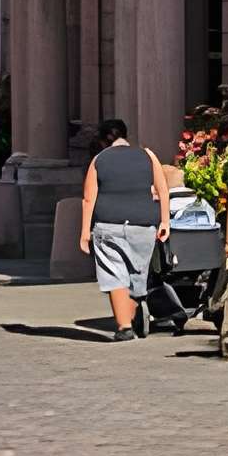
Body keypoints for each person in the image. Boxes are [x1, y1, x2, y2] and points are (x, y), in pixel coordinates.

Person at [76, 117, 175, 341]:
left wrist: (84, 233)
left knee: (114, 274)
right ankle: (135, 310)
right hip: (143, 225)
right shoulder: (148, 155)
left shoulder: (99, 159)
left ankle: (124, 327)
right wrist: (165, 222)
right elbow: (163, 190)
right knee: (136, 273)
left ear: (103, 141)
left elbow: (88, 198)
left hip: (108, 225)